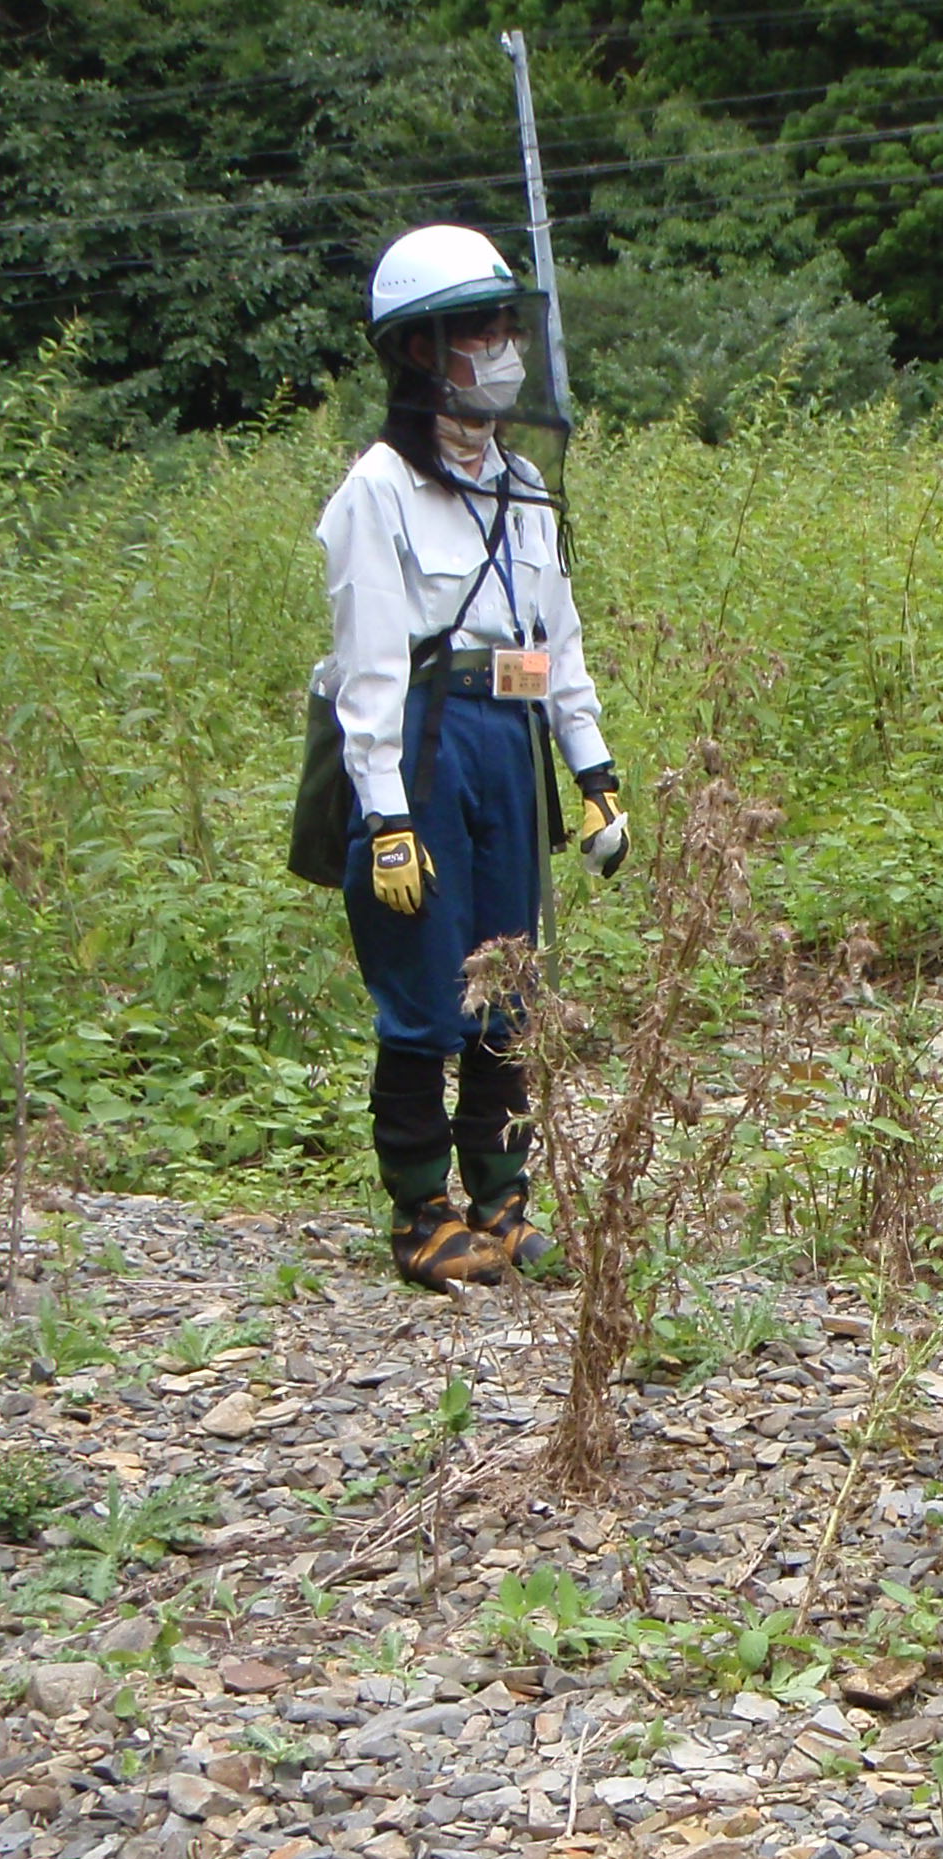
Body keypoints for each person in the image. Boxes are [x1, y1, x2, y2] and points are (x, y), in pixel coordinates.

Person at [318, 225, 631, 1291]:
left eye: (506, 323)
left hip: (510, 745)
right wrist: (386, 815)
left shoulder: (525, 484)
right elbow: (365, 673)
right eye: (475, 329)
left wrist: (593, 776)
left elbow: (558, 644)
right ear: (418, 350)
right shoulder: (378, 490)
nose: (499, 346)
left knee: (511, 979)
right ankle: (421, 1211)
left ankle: (502, 1198)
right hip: (423, 745)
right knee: (424, 985)